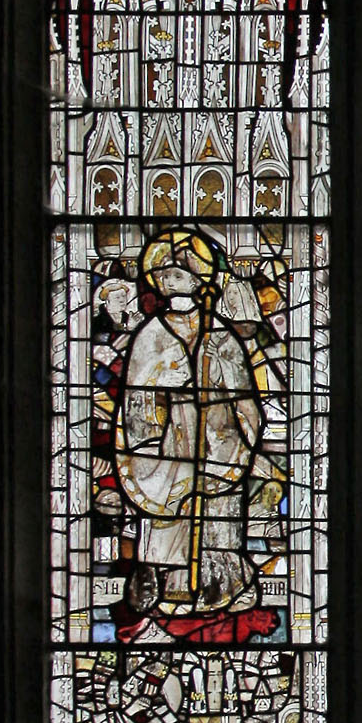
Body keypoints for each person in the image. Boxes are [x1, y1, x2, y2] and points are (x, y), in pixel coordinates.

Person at [113, 229, 270, 623]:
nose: (170, 282)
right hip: (169, 440)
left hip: (218, 435)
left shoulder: (220, 333)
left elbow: (242, 393)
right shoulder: (150, 334)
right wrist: (150, 435)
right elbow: (137, 397)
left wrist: (222, 375)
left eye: (178, 275)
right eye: (164, 276)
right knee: (169, 512)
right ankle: (165, 584)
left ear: (199, 280)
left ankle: (223, 584)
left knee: (218, 515)